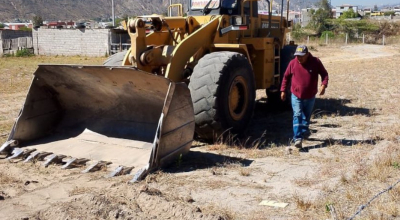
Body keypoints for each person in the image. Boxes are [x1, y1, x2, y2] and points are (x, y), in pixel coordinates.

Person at [280, 45, 329, 148]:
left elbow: (324, 74)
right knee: (297, 115)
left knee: (306, 117)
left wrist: (323, 85)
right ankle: (297, 138)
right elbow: (286, 77)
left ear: (307, 54)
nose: (299, 58)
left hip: (310, 96)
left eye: (301, 56)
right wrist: (283, 90)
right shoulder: (293, 63)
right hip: (296, 95)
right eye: (297, 56)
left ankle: (303, 131)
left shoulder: (315, 62)